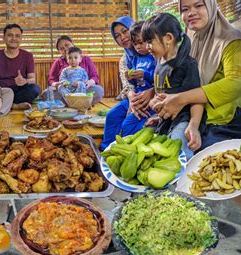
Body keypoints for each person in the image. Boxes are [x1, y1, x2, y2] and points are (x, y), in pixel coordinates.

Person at [153, 0, 241, 149]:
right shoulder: (189, 37)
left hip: (219, 119)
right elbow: (181, 76)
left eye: (199, 5)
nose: (191, 13)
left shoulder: (231, 40)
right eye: (185, 9)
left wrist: (181, 98)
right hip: (187, 114)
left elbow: (236, 83)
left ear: (211, 6)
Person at [143, 13, 205, 159]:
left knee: (178, 151)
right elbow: (160, 95)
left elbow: (198, 99)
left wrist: (193, 126)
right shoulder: (159, 63)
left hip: (185, 120)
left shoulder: (187, 65)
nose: (147, 47)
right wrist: (157, 112)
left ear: (168, 38)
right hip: (166, 120)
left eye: (150, 42)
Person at [101, 16, 154, 150]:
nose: (122, 37)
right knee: (112, 115)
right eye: (117, 36)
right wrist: (132, 95)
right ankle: (106, 148)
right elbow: (129, 86)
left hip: (153, 98)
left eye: (125, 31)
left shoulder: (154, 52)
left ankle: (126, 150)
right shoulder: (128, 59)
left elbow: (163, 77)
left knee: (129, 122)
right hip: (135, 96)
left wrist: (150, 91)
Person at [0, 24, 40, 110]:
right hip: (3, 91)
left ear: (21, 38)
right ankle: (13, 105)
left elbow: (32, 79)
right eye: (10, 35)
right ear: (4, 37)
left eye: (17, 36)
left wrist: (25, 81)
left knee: (35, 89)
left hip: (19, 91)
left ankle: (8, 104)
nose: (13, 38)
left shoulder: (27, 56)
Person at [47, 35, 104, 102]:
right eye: (61, 48)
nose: (65, 49)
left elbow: (94, 76)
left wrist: (90, 82)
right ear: (59, 51)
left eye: (67, 45)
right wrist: (56, 84)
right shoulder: (58, 62)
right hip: (66, 90)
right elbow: (51, 79)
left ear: (72, 43)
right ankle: (78, 102)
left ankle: (72, 102)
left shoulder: (85, 59)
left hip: (82, 88)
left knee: (99, 90)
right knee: (47, 93)